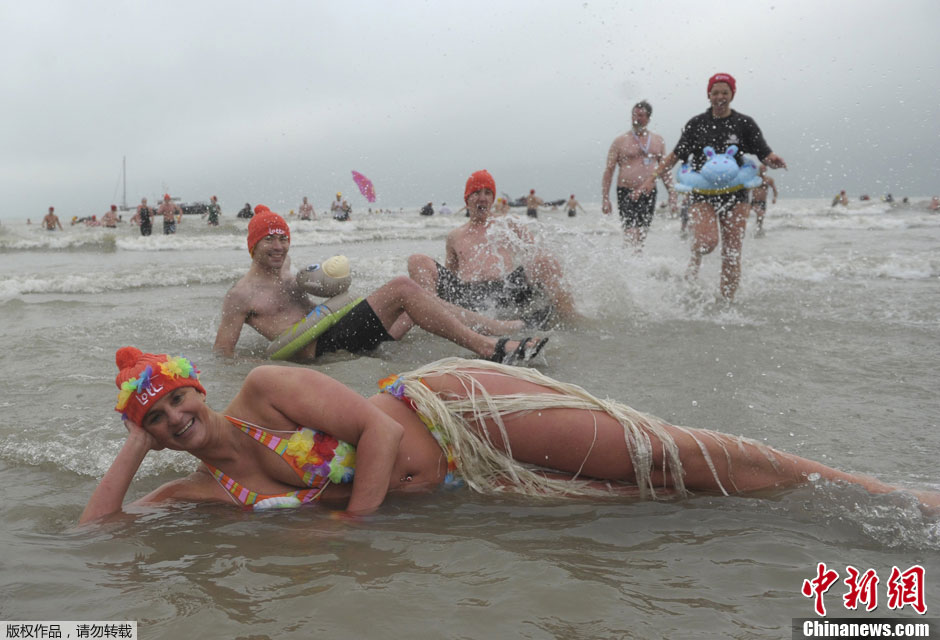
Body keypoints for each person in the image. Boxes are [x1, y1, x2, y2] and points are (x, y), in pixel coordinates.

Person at [79, 347, 940, 524]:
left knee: (666, 453)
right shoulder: (200, 487)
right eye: (157, 419)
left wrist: (351, 527)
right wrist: (134, 443)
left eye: (176, 399)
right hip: (477, 481)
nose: (175, 417)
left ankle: (887, 492)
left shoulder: (267, 392)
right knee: (658, 496)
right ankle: (836, 504)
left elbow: (376, 436)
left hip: (460, 414)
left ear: (196, 386)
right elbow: (98, 532)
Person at [213, 206, 547, 365]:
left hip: (341, 332)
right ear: (252, 245)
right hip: (319, 348)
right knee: (403, 288)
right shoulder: (240, 296)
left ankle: (505, 326)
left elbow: (321, 286)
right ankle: (488, 346)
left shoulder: (286, 268)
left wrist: (330, 278)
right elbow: (223, 355)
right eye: (268, 240)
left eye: (283, 239)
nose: (278, 247)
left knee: (419, 300)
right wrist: (265, 364)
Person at [635, 74, 787, 301]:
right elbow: (675, 155)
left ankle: (727, 303)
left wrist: (773, 159)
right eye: (715, 92)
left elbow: (763, 152)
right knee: (707, 243)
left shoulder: (744, 123)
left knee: (732, 252)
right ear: (709, 95)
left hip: (736, 194)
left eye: (725, 92)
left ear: (732, 94)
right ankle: (696, 254)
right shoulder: (697, 124)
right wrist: (651, 179)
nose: (720, 97)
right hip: (702, 193)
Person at [407, 170, 581, 327]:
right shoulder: (455, 236)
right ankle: (432, 321)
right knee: (417, 260)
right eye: (476, 193)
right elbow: (451, 276)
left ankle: (572, 322)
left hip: (506, 291)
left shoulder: (508, 224)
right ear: (467, 199)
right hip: (468, 296)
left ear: (492, 199)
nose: (482, 198)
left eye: (488, 193)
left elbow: (534, 254)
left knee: (545, 260)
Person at [602, 101, 678, 249]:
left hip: (648, 192)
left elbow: (663, 169)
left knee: (641, 235)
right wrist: (605, 198)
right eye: (634, 115)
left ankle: (634, 259)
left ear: (648, 118)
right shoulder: (620, 141)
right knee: (631, 233)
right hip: (626, 190)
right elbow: (609, 170)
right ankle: (628, 257)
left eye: (641, 115)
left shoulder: (658, 140)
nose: (636, 119)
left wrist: (672, 193)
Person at [750, 164, 778, 237]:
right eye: (761, 168)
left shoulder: (769, 180)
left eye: (764, 168)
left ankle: (758, 231)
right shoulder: (754, 178)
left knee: (761, 218)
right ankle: (754, 230)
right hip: (754, 201)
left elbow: (774, 190)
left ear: (766, 170)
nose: (763, 170)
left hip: (763, 202)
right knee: (760, 214)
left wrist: (774, 198)